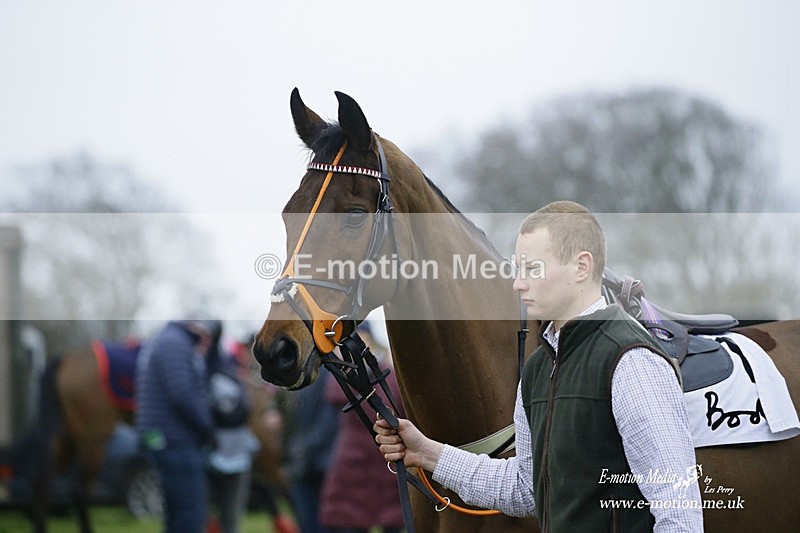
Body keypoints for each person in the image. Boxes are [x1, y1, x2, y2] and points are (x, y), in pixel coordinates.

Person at [375, 201, 704, 532]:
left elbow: (679, 511)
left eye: (532, 269)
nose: (517, 284)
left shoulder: (631, 361)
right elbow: (524, 487)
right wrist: (427, 452)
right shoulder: (537, 369)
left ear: (581, 266)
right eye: (517, 269)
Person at [319, 322, 404, 533]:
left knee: (393, 521)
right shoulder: (342, 378)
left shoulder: (390, 375)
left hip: (386, 463)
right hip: (352, 465)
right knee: (347, 521)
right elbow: (335, 398)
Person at [135, 319, 219, 533]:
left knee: (176, 514)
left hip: (165, 440)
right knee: (189, 516)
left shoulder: (164, 340)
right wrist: (208, 429)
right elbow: (183, 395)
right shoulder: (177, 344)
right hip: (178, 442)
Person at [205, 338, 260, 533]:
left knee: (223, 514)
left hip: (227, 452)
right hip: (223, 453)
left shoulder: (225, 377)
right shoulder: (234, 379)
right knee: (227, 516)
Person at [282, 368, 340, 533]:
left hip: (322, 462)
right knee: (306, 521)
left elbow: (328, 422)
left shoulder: (327, 375)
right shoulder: (294, 374)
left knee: (325, 523)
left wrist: (302, 448)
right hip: (300, 462)